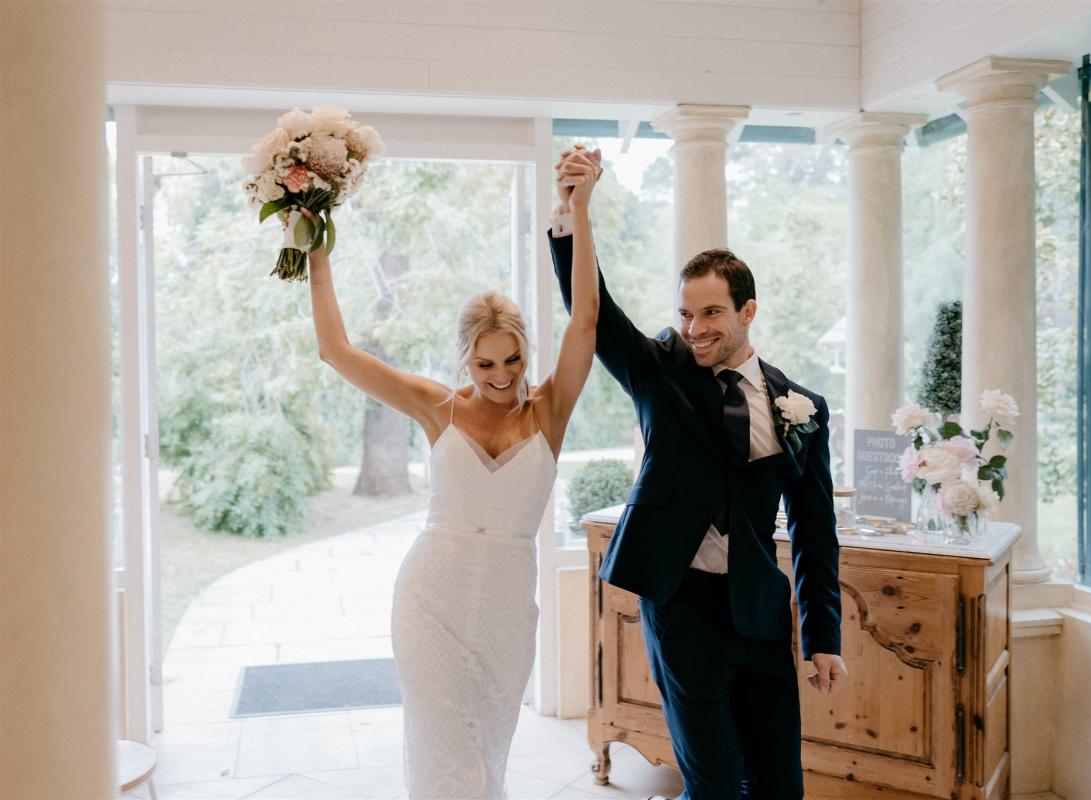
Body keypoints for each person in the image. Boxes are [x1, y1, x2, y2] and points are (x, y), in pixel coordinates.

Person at [551, 146, 848, 800]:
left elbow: (815, 531)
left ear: (747, 311)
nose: (694, 327)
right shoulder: (660, 371)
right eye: (687, 313)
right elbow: (594, 317)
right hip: (683, 607)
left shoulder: (801, 408)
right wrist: (575, 214)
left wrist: (823, 638)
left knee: (780, 786)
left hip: (762, 615)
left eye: (711, 313)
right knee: (713, 786)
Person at [304, 150, 603, 799]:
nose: (500, 377)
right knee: (443, 753)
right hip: (430, 598)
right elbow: (336, 351)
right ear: (464, 360)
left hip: (505, 608)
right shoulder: (436, 407)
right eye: (484, 364)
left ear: (526, 351)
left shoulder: (549, 411)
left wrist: (581, 212)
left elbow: (586, 320)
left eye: (512, 360)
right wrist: (314, 246)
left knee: (486, 755)